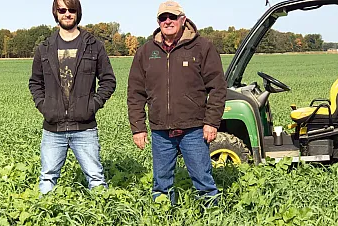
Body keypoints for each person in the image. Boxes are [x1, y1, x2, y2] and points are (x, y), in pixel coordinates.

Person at [127, 1, 227, 205]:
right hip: (160, 130)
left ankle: (213, 219)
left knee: (203, 180)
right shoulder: (146, 51)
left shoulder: (202, 47)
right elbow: (135, 93)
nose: (168, 21)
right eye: (163, 18)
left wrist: (212, 122)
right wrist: (138, 128)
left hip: (194, 128)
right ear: (158, 22)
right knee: (161, 183)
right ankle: (163, 220)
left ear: (183, 19)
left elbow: (217, 87)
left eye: (172, 17)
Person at [29, 0, 116, 194]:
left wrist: (92, 105)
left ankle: (102, 218)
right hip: (53, 128)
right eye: (62, 10)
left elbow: (108, 80)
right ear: (55, 13)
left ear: (78, 12)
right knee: (47, 177)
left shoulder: (94, 46)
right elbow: (35, 83)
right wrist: (45, 107)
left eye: (71, 10)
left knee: (96, 178)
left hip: (84, 128)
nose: (67, 14)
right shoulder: (45, 47)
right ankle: (44, 217)